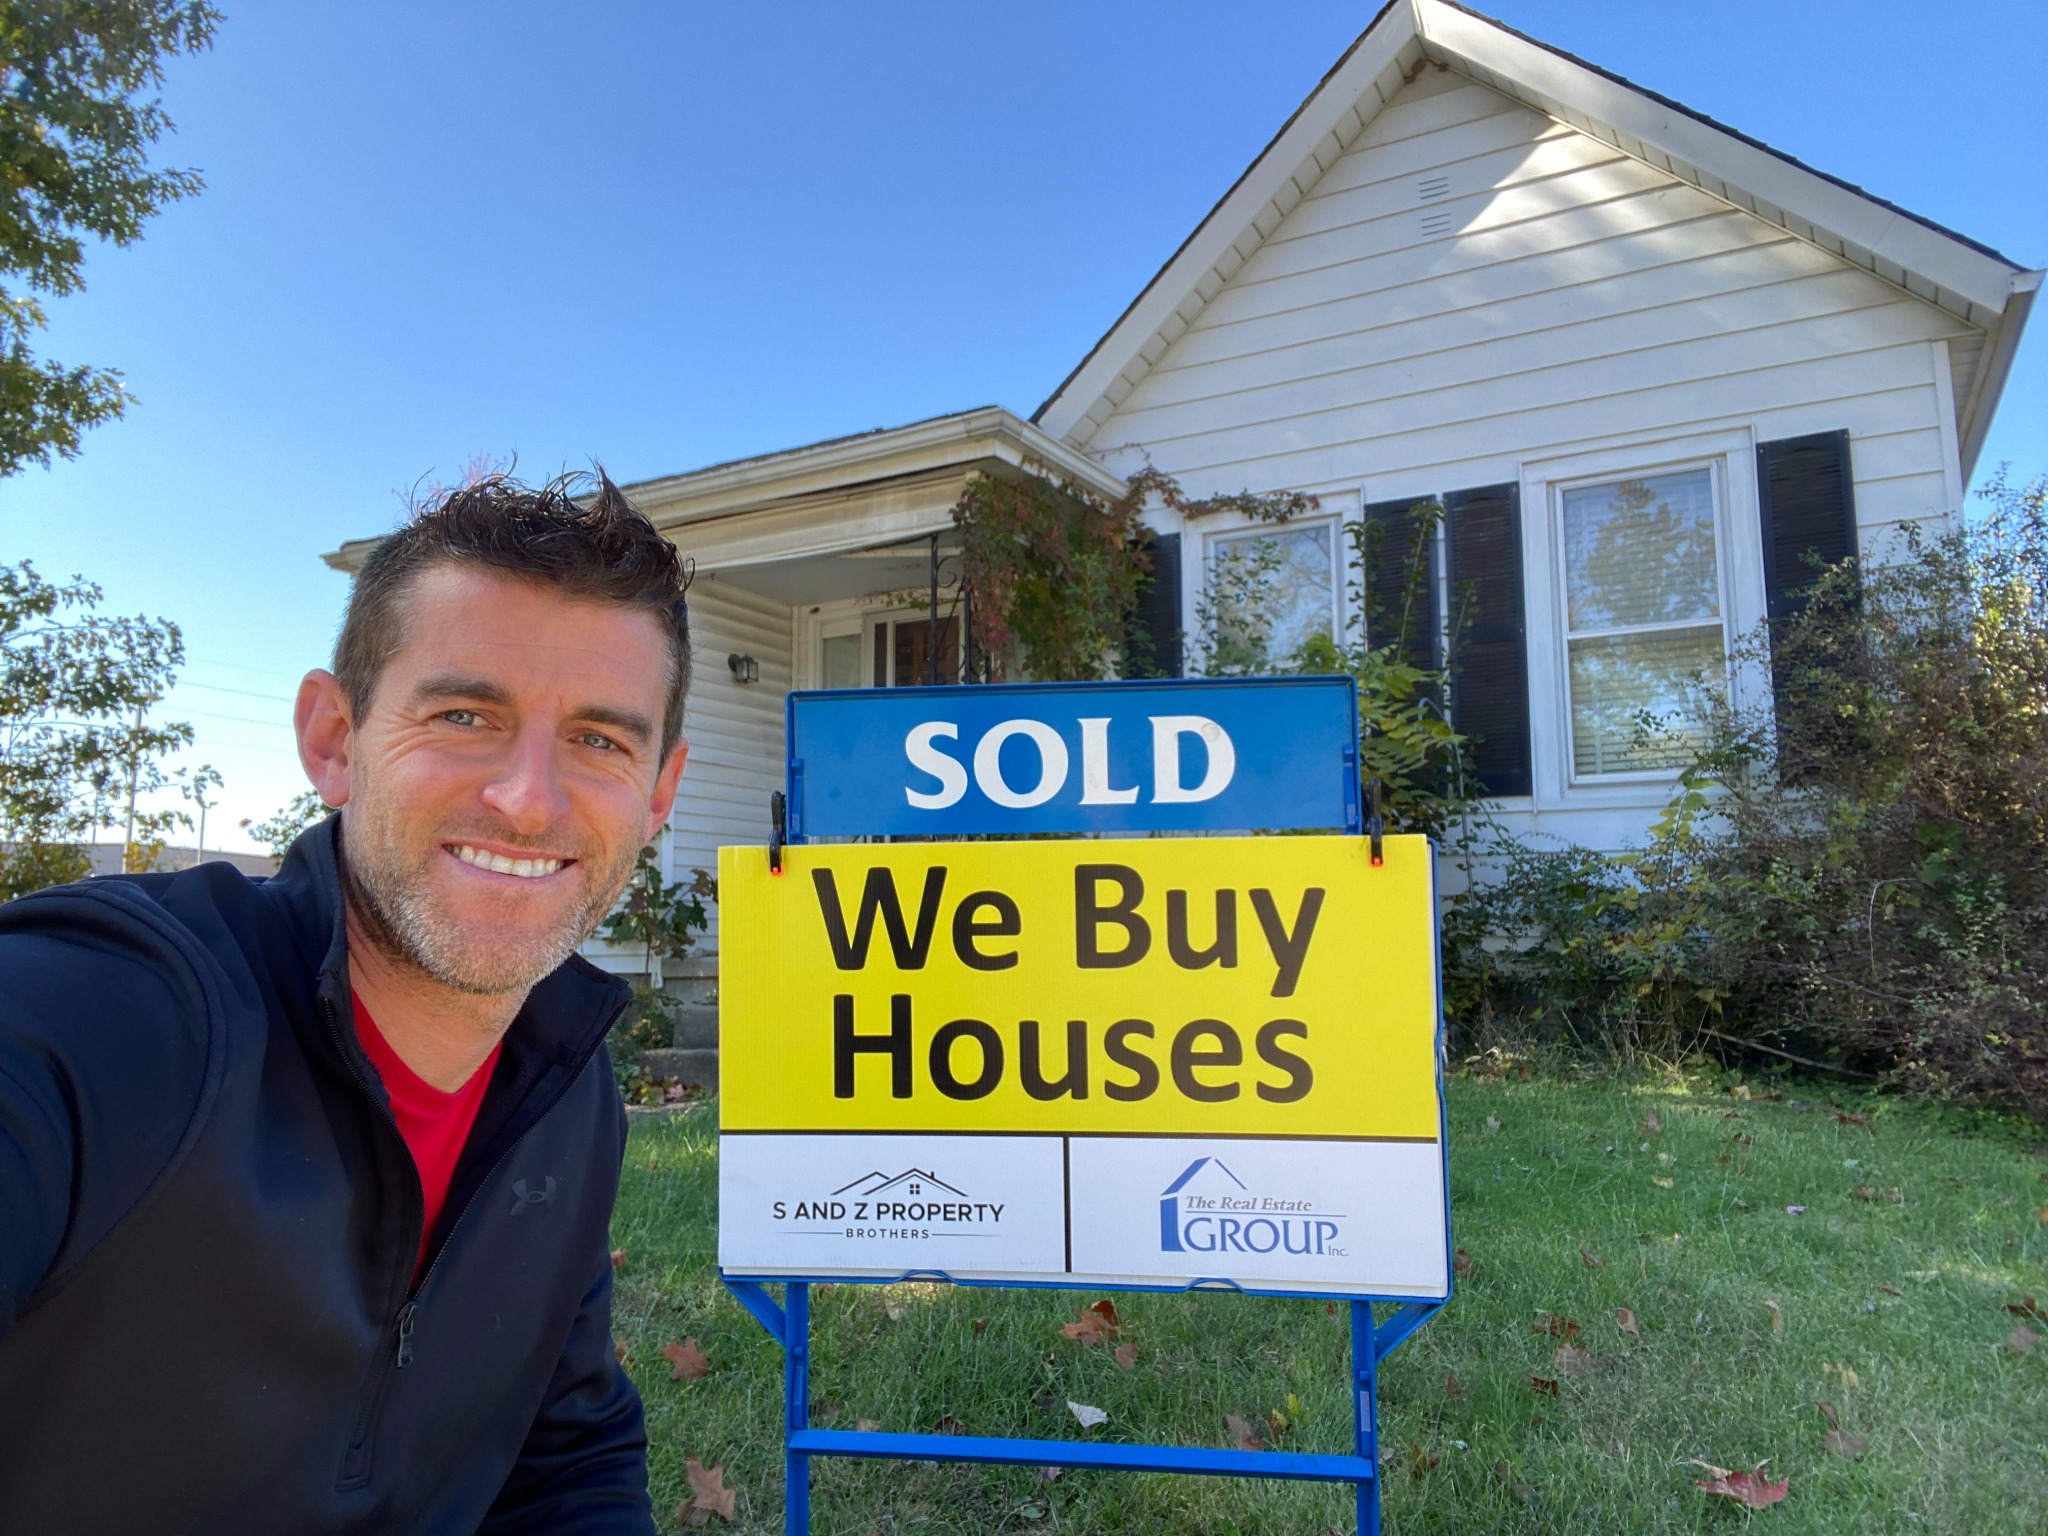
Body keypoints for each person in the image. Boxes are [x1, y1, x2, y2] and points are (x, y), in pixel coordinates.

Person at [0, 472, 690, 1533]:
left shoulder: (566, 1090)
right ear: (333, 739)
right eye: (464, 715)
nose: (527, 800)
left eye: (601, 739)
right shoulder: (114, 1015)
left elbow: (565, 1454)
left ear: (658, 793)